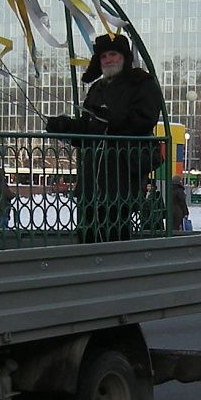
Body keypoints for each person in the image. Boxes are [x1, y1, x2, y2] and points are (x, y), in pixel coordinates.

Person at [46, 33, 163, 244]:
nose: (108, 60)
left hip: (122, 176)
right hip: (92, 179)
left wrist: (114, 120)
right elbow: (88, 129)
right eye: (103, 57)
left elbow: (146, 119)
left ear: (124, 57)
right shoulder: (96, 89)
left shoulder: (141, 83)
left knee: (116, 232)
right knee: (88, 231)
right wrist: (65, 126)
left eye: (113, 54)